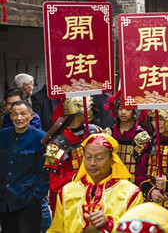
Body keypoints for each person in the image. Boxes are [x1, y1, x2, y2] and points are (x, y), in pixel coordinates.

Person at [47, 133, 144, 232]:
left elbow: (137, 229)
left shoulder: (130, 194)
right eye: (88, 157)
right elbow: (56, 230)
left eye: (99, 158)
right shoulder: (67, 192)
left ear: (112, 160)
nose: (92, 163)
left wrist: (109, 223)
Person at [43, 96, 102, 211]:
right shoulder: (56, 144)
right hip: (72, 199)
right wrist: (80, 178)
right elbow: (55, 182)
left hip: (97, 194)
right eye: (88, 107)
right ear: (76, 110)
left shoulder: (95, 131)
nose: (91, 110)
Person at [0, 100, 48, 233]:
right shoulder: (3, 135)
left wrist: (36, 195)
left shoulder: (41, 138)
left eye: (23, 114)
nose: (18, 118)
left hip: (28, 200)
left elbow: (43, 172)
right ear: (10, 116)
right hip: (5, 200)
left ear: (31, 116)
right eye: (14, 114)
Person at [104, 91, 150, 183]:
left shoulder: (141, 136)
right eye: (120, 109)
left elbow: (142, 167)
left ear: (134, 113)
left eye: (128, 109)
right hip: (111, 182)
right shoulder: (109, 133)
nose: (123, 112)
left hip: (132, 183)